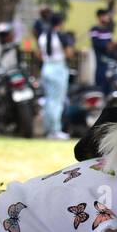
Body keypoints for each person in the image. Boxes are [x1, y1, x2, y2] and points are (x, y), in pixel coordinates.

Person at [38, 11, 74, 139]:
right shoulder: (61, 36)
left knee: (48, 100)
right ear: (61, 23)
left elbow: (39, 54)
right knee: (57, 101)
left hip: (46, 67)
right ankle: (55, 130)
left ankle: (48, 129)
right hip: (58, 68)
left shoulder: (43, 36)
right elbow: (69, 53)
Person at [89, 6, 117, 93]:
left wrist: (116, 45)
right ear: (100, 17)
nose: (108, 17)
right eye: (106, 15)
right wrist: (112, 45)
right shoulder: (94, 29)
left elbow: (110, 46)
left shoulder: (107, 31)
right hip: (100, 61)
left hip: (108, 62)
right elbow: (98, 44)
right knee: (101, 86)